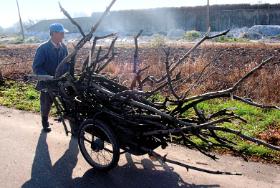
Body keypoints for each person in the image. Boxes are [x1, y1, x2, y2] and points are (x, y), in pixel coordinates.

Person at [32, 23, 68, 133]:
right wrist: (47, 77)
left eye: (63, 33)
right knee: (46, 103)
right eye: (61, 33)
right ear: (53, 34)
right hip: (47, 82)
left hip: (61, 81)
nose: (63, 36)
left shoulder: (64, 47)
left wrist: (67, 75)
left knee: (68, 102)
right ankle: (45, 121)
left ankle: (73, 123)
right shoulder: (43, 48)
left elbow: (67, 63)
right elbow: (36, 67)